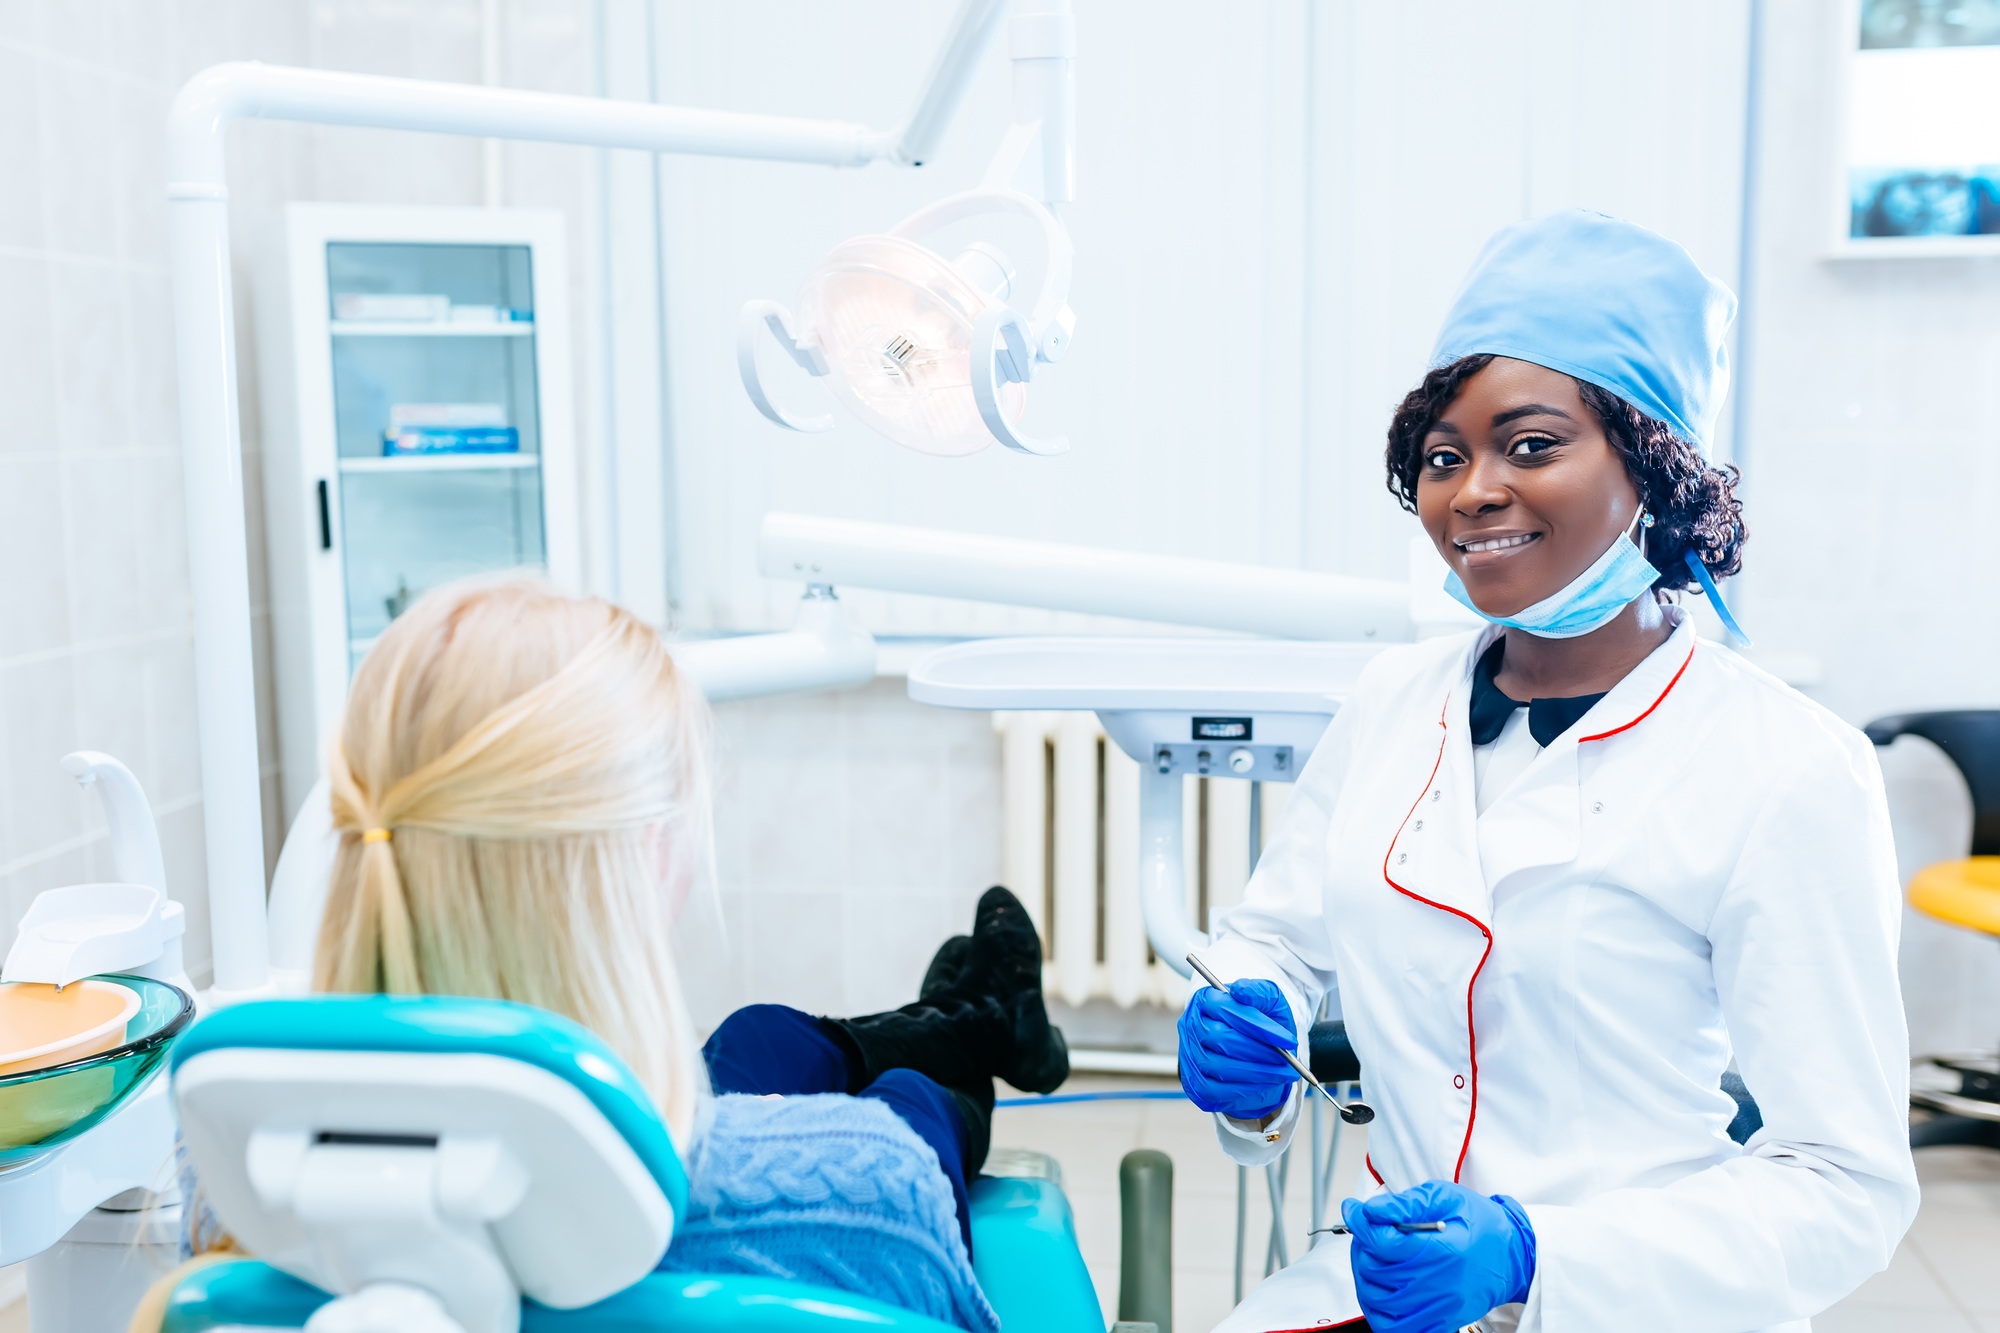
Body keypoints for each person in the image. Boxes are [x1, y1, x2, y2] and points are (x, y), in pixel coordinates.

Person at [1179, 211, 1918, 1333]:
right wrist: (1251, 1013)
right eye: (1441, 456)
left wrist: (1535, 1254)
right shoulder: (1390, 701)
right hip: (1381, 1281)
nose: (1470, 489)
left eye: (1528, 445)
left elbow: (1843, 1182)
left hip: (1641, 1296)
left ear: (1653, 466)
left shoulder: (1789, 769)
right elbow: (1277, 936)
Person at [138, 577, 1067, 1333]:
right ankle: (973, 1035)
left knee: (753, 1038)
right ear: (644, 860)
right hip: (843, 1148)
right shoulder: (865, 1188)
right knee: (912, 1100)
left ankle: (964, 1015)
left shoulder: (233, 1183)